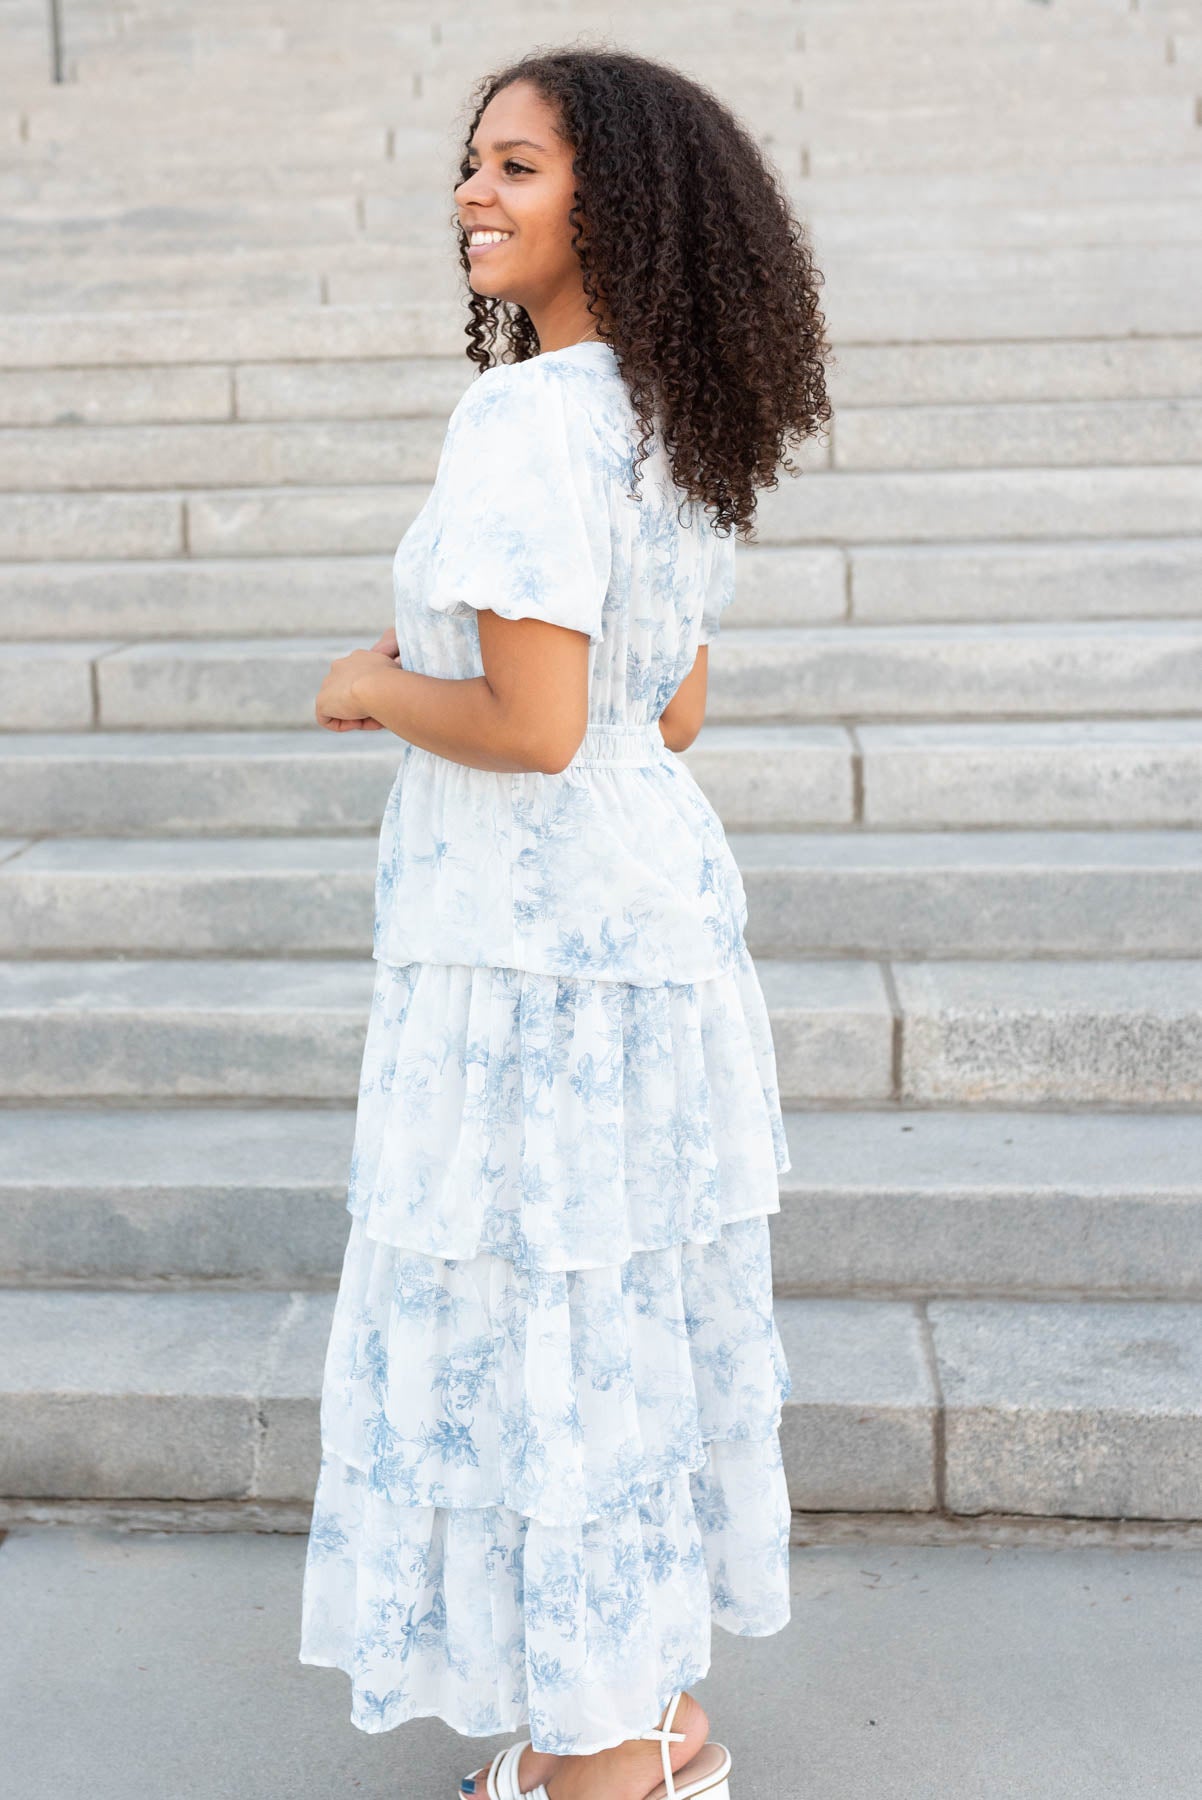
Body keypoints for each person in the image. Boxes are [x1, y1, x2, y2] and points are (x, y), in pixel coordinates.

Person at [299, 44, 832, 1800]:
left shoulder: (528, 418)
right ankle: (651, 1719)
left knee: (540, 1330)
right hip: (647, 922)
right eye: (473, 163)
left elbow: (529, 731)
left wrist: (378, 683)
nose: (471, 190)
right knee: (621, 1327)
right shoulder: (674, 418)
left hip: (530, 952)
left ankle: (598, 1769)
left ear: (615, 198)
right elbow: (660, 715)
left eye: (515, 167)